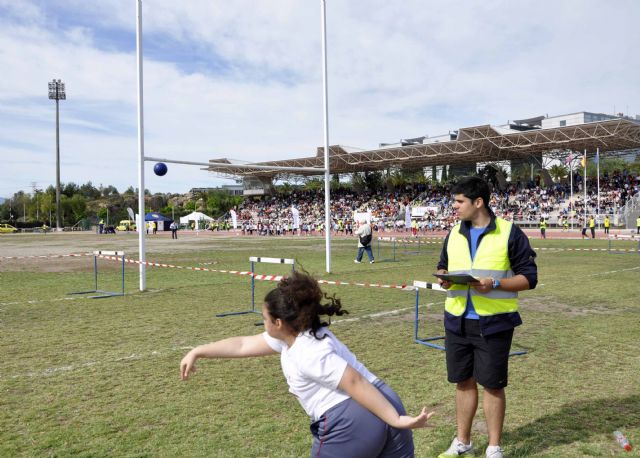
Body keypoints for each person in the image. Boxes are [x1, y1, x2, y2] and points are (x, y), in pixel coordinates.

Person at [180, 272, 434, 457]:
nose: (263, 322)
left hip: (356, 417)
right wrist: (198, 351)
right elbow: (242, 345)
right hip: (385, 398)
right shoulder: (296, 335)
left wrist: (397, 420)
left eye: (264, 317)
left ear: (279, 322)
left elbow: (353, 381)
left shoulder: (305, 352)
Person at [435, 176, 537, 458]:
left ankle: (494, 447)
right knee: (462, 382)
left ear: (477, 202)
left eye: (459, 201)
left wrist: (495, 284)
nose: (453, 206)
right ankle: (463, 441)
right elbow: (443, 266)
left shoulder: (509, 232)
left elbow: (529, 278)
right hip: (456, 320)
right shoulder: (454, 232)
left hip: (493, 323)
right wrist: (444, 277)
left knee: (492, 384)